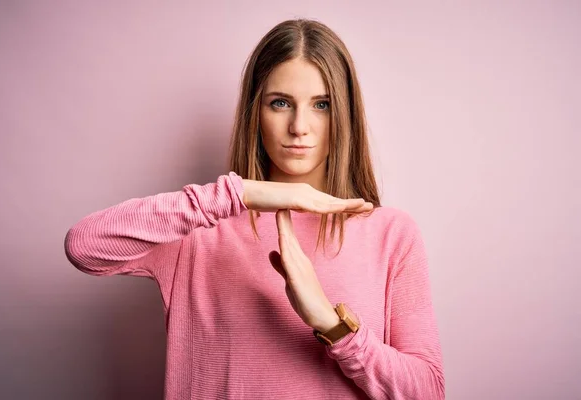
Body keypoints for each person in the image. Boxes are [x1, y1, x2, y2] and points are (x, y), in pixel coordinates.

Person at [64, 19, 445, 400]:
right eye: (280, 103)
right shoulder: (198, 230)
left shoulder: (391, 234)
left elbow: (427, 393)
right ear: (255, 111)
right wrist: (239, 193)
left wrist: (331, 324)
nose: (299, 126)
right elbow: (83, 246)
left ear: (344, 114)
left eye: (322, 105)